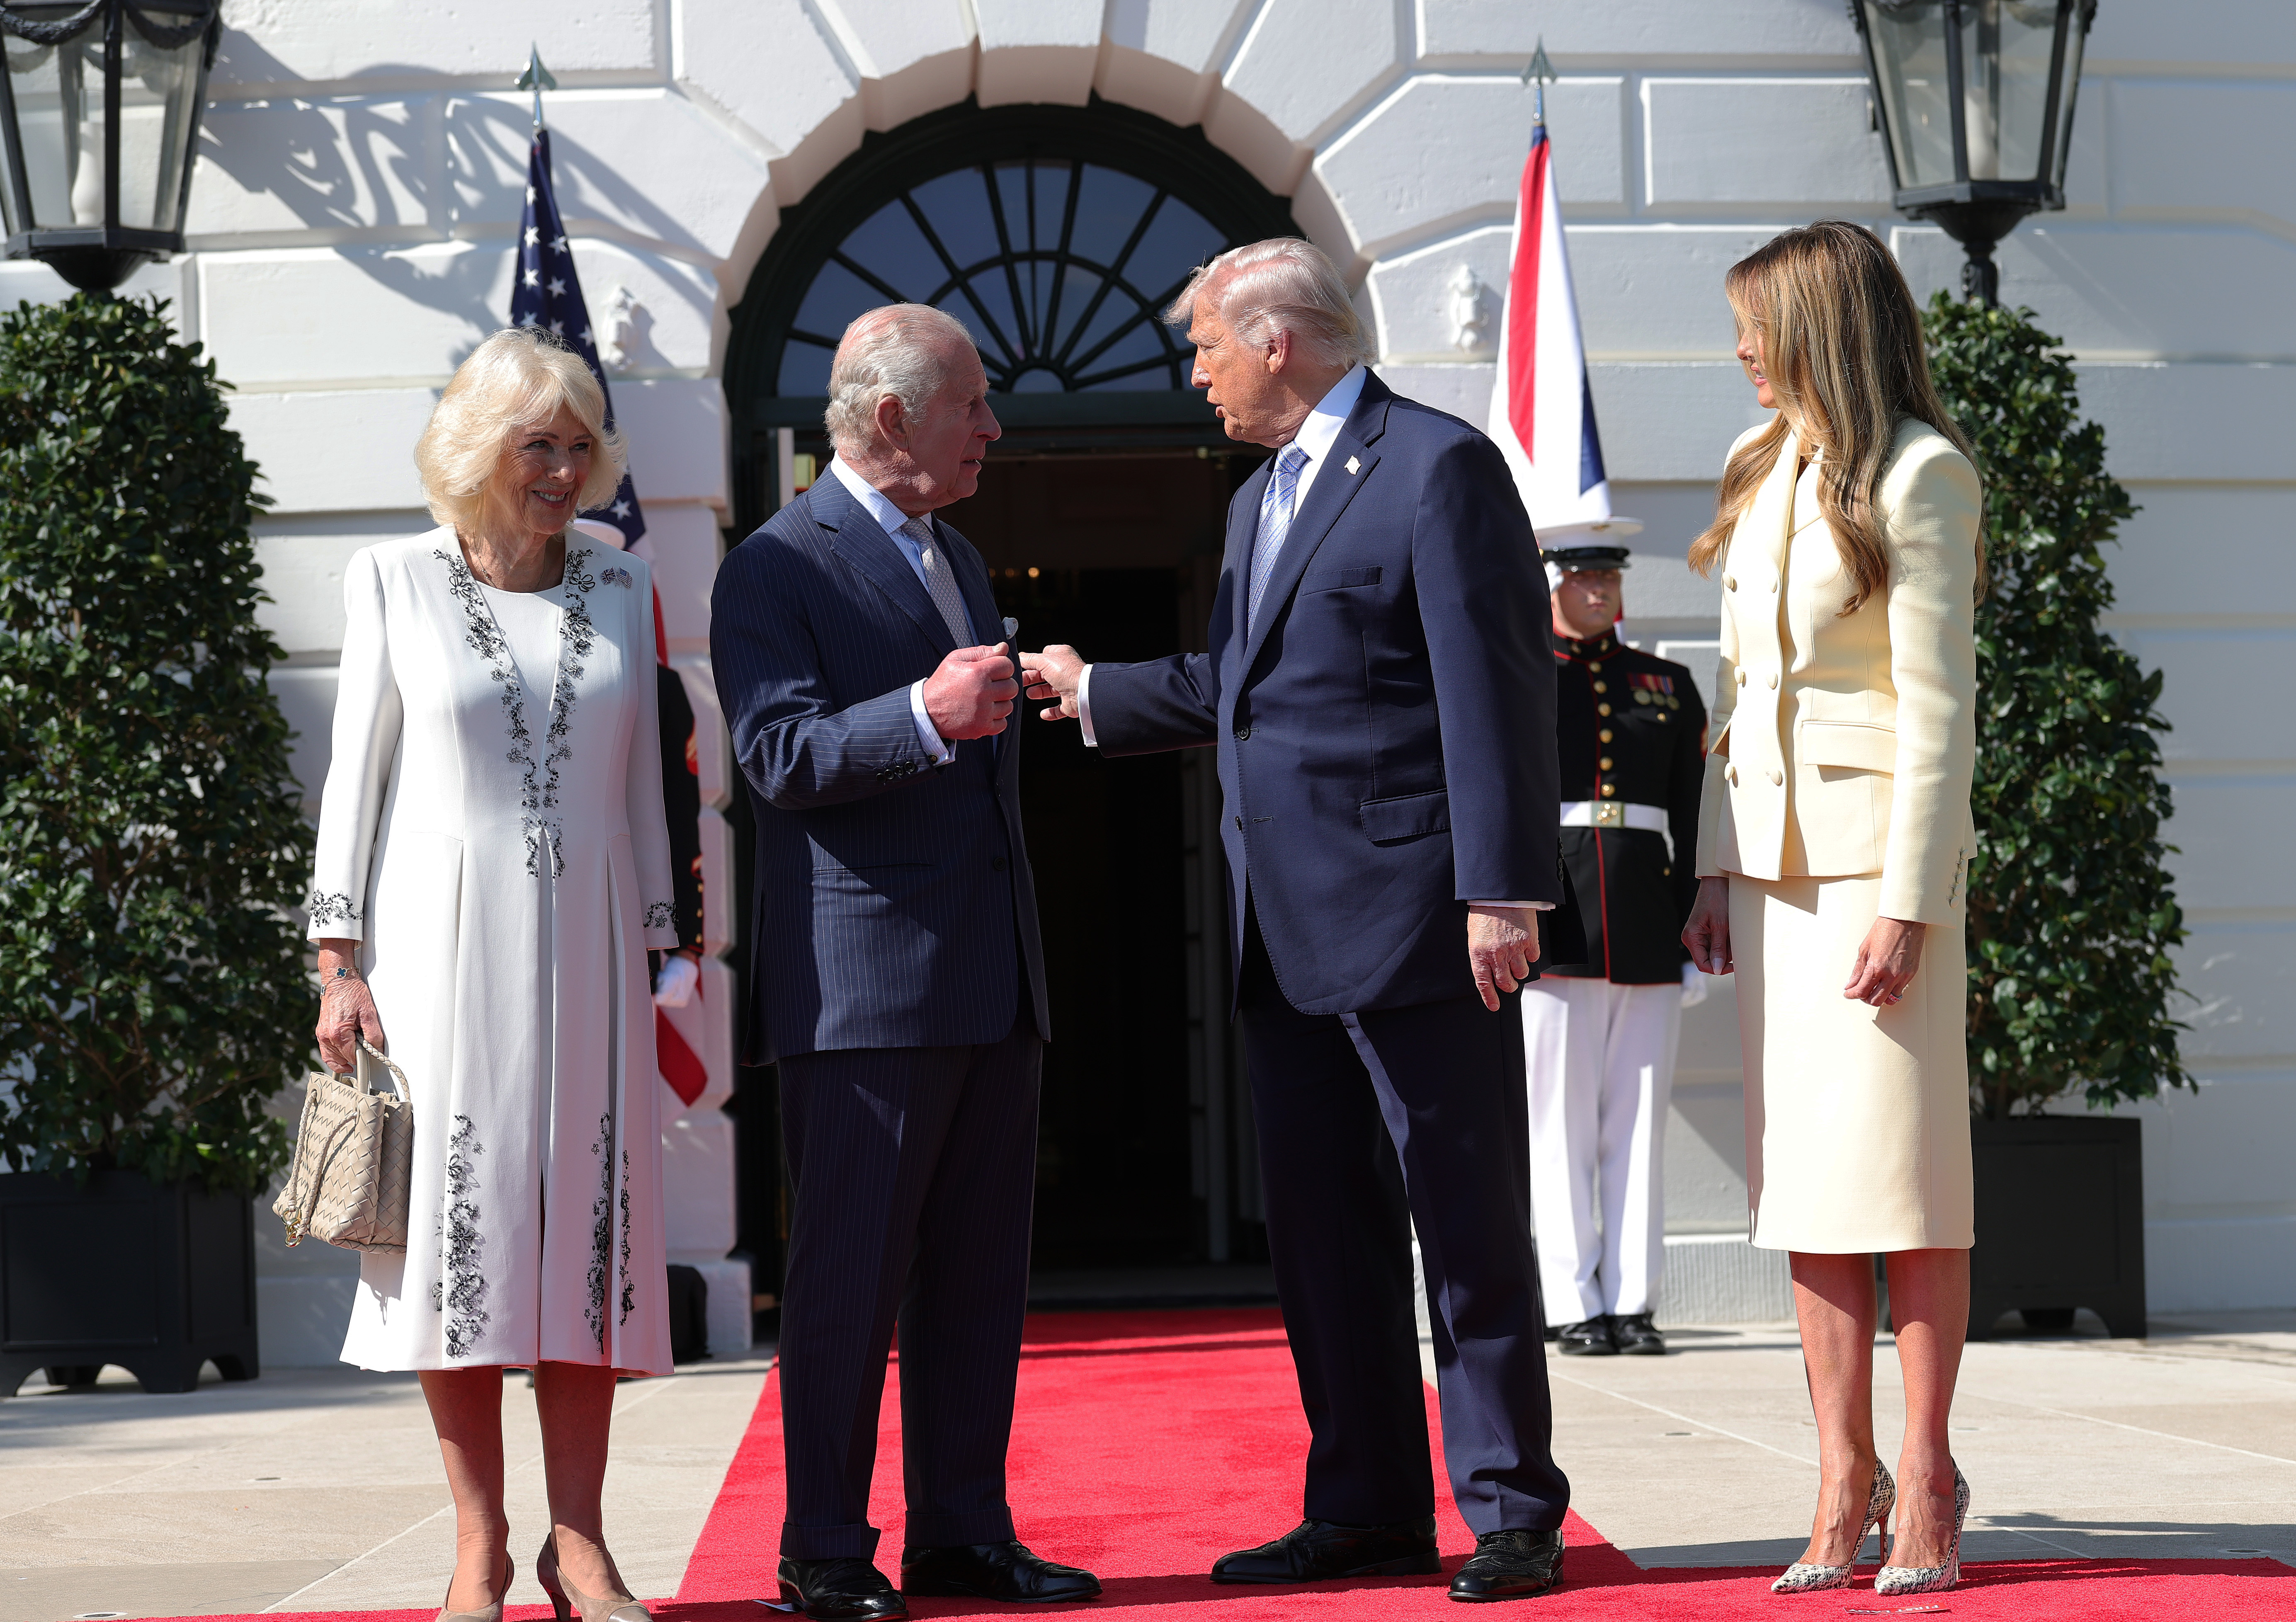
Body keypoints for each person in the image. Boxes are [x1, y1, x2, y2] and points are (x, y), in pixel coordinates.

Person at [1024, 238, 1576, 1602]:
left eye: (1203, 347)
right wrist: (1092, 689)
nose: (1194, 376)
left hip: (1419, 917)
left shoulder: (1434, 466)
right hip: (1282, 928)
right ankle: (1366, 1506)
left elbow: (1492, 691)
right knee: (1323, 1239)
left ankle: (1507, 1505)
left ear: (1274, 339)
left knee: (1462, 1222)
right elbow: (1237, 682)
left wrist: (1500, 889)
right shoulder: (1263, 492)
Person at [709, 304, 1098, 1622]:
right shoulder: (777, 564)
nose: (995, 425)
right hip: (865, 994)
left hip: (992, 980)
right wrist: (921, 717)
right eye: (972, 403)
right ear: (891, 419)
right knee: (846, 1283)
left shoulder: (959, 553)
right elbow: (775, 758)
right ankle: (821, 1548)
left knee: (980, 1282)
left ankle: (961, 1534)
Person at [307, 327, 680, 1622]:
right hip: (433, 946)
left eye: (582, 445)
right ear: (480, 450)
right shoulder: (393, 578)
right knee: (455, 1250)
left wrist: (664, 951)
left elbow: (641, 788)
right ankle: (480, 1544)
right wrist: (336, 958)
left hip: (589, 950)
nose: (566, 469)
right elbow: (354, 774)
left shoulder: (627, 586)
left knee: (586, 1240)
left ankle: (580, 1545)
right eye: (540, 444)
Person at [1678, 220, 1983, 1599]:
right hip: (1773, 872)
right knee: (1807, 1186)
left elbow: (1936, 713)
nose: (1736, 349)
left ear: (1815, 324)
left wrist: (1908, 902)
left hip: (1874, 876)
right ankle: (1836, 1471)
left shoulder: (1918, 474)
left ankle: (1922, 1469)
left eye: (1753, 323)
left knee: (1902, 1185)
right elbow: (1736, 695)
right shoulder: (1759, 466)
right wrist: (1707, 866)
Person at [1527, 545, 1707, 1359]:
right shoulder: (1521, 673)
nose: (1598, 590)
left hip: (1644, 918)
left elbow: (1695, 812)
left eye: (1609, 578)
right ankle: (1572, 1301)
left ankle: (1633, 1301)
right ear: (1553, 583)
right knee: (1557, 1124)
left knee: (1637, 1122)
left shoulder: (1665, 685)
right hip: (1555, 921)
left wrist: (1698, 915)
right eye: (1581, 577)